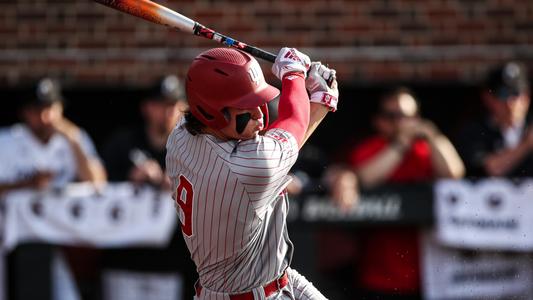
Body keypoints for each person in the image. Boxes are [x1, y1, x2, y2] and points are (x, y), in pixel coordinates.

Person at [165, 47, 338, 299]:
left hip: (278, 278)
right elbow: (293, 124)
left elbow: (285, 145)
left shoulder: (180, 136)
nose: (259, 114)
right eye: (245, 106)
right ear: (211, 111)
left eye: (258, 102)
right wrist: (293, 75)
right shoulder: (246, 168)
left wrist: (319, 100)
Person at [338, 87, 464, 299]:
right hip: (378, 272)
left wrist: (432, 135)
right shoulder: (371, 148)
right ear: (379, 120)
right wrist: (401, 144)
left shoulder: (425, 149)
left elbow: (454, 174)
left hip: (427, 273)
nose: (401, 122)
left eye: (407, 116)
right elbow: (366, 177)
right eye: (392, 116)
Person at [0, 78, 107, 300]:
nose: (45, 117)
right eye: (37, 110)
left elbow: (98, 182)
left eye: (50, 108)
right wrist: (26, 184)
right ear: (25, 112)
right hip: (10, 239)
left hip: (56, 239)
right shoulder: (8, 140)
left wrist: (72, 137)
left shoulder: (72, 138)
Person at [101, 75, 196, 300]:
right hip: (122, 259)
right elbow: (96, 185)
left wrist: (174, 182)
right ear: (146, 107)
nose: (167, 112)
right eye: (160, 105)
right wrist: (129, 177)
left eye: (173, 105)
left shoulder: (192, 148)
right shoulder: (124, 141)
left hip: (168, 263)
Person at [456, 61, 533, 177]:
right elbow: (493, 168)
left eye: (516, 94)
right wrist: (526, 144)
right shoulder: (474, 132)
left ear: (526, 97)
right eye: (503, 95)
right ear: (488, 98)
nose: (510, 103)